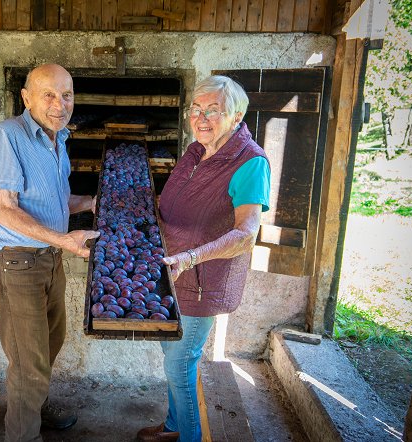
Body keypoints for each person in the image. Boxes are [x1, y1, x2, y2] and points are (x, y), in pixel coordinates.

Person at [137, 75, 271, 442]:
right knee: (171, 356)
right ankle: (172, 427)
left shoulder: (250, 162)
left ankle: (188, 436)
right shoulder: (197, 151)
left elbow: (246, 235)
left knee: (180, 363)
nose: (202, 117)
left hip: (200, 281)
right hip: (171, 271)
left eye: (214, 109)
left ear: (237, 114)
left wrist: (193, 256)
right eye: (196, 109)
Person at [0, 63, 99, 442]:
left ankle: (37, 409)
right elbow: (5, 208)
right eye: (48, 94)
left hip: (48, 258)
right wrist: (65, 241)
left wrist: (97, 202)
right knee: (28, 362)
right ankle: (23, 435)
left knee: (49, 344)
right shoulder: (5, 136)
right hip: (18, 262)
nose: (59, 104)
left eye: (67, 95)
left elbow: (60, 202)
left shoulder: (56, 140)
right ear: (26, 97)